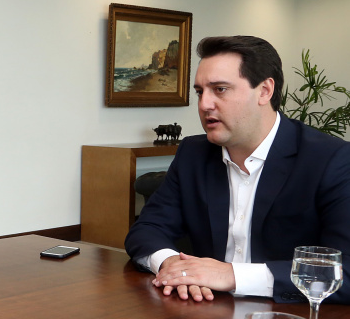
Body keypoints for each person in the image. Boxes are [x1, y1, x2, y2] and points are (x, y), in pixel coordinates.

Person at [125, 35, 350, 304]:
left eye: (220, 89)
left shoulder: (331, 159)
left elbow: (345, 271)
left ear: (265, 91)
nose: (204, 104)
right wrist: (173, 264)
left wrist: (232, 275)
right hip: (204, 314)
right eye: (200, 92)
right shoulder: (193, 154)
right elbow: (147, 229)